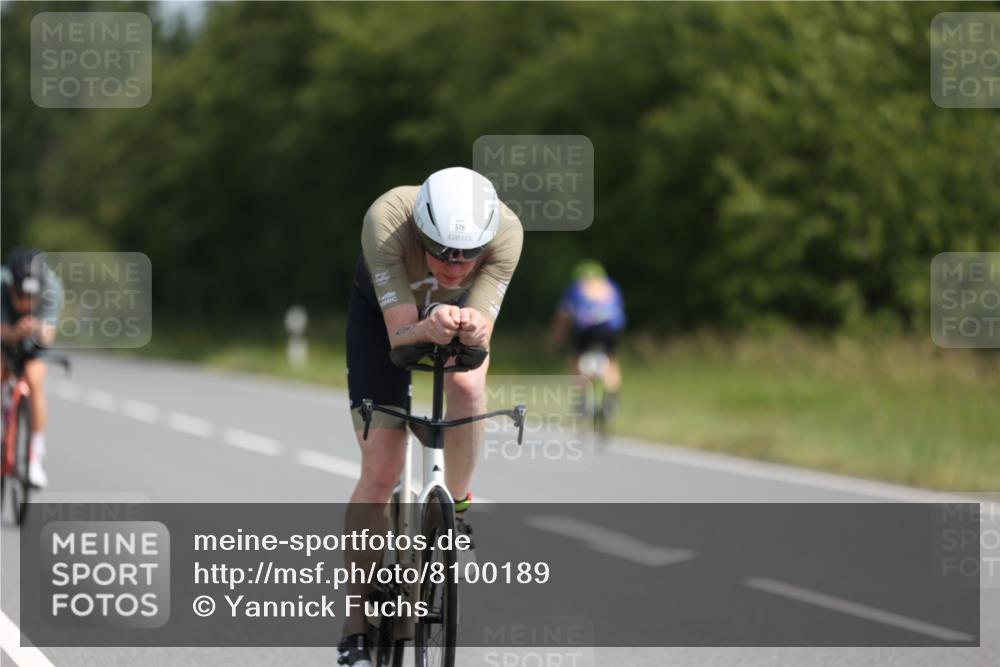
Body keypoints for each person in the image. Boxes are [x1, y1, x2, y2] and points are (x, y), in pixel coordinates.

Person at [338, 167, 523, 666]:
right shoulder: (386, 220)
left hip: (451, 314)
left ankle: (454, 508)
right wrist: (426, 324)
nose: (455, 266)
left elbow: (481, 333)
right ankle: (355, 624)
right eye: (441, 251)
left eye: (468, 253)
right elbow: (401, 336)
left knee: (467, 384)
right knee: (381, 470)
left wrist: (471, 329)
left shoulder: (507, 232)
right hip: (384, 318)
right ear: (421, 230)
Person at [1, 247, 64, 488]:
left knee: (35, 378)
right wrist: (15, 333)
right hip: (6, 335)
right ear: (10, 288)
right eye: (20, 295)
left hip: (34, 342)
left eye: (32, 296)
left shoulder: (52, 289)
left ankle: (35, 455)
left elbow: (48, 337)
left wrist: (38, 329)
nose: (26, 303)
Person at [549, 259, 626, 415]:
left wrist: (557, 340)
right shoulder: (611, 286)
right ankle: (612, 399)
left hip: (588, 330)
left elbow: (563, 318)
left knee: (576, 357)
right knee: (611, 360)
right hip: (611, 330)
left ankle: (583, 400)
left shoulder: (576, 287)